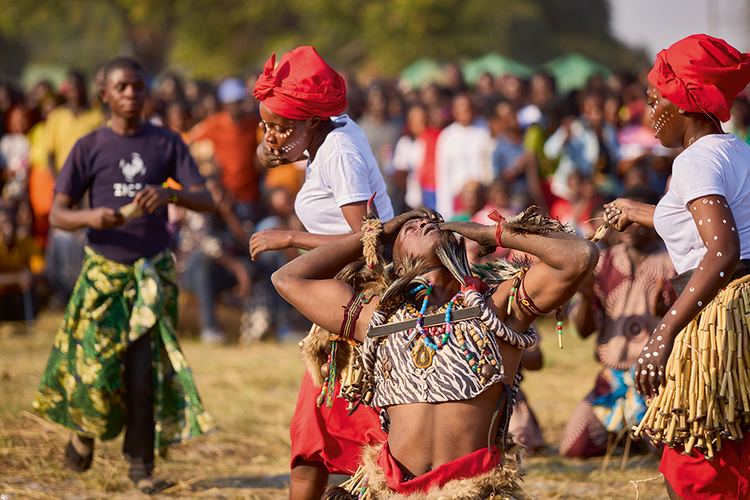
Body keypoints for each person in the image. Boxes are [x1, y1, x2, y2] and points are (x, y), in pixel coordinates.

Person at [270, 204, 598, 499]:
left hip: (474, 490)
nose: (425, 224)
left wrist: (491, 232)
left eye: (433, 223)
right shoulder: (376, 318)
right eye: (410, 229)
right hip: (394, 492)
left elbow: (580, 257)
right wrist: (375, 235)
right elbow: (287, 278)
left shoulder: (496, 305)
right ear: (396, 262)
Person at [32, 57, 217, 494]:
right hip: (102, 272)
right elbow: (58, 212)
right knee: (94, 369)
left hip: (150, 274)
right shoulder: (88, 146)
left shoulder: (166, 142)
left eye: (137, 86)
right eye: (121, 87)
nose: (131, 94)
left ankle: (141, 469)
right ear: (105, 94)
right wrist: (91, 214)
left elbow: (207, 198)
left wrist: (171, 193)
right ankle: (83, 431)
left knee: (141, 374)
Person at [604, 34, 750, 500]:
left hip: (719, 314)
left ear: (683, 104)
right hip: (740, 309)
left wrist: (663, 333)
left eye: (653, 103)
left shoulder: (693, 161)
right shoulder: (737, 150)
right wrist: (639, 209)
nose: (650, 117)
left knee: (700, 466)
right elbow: (714, 219)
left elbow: (722, 250)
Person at [248, 46, 393, 500]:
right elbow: (282, 146)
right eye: (267, 124)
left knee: (347, 428)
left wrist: (288, 238)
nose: (271, 134)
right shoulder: (328, 133)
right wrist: (276, 147)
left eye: (279, 126)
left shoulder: (340, 154)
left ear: (310, 120)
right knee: (311, 433)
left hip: (359, 298)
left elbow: (370, 242)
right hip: (336, 295)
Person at [561, 186, 676, 458]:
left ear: (651, 220)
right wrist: (587, 296)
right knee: (573, 447)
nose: (622, 225)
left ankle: (636, 433)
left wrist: (666, 311)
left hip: (657, 381)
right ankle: (626, 436)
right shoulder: (604, 261)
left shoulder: (673, 263)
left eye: (632, 218)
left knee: (669, 450)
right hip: (611, 380)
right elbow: (584, 330)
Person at [187, 78, 261, 223]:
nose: (238, 106)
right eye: (234, 102)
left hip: (251, 191)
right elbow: (189, 140)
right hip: (227, 191)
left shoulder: (252, 122)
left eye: (240, 101)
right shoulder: (215, 123)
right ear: (225, 104)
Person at [434, 94, 491, 220]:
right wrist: (445, 208)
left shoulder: (482, 129)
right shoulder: (447, 136)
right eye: (460, 109)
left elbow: (487, 164)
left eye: (468, 108)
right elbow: (443, 173)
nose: (465, 113)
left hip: (480, 197)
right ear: (454, 111)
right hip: (457, 200)